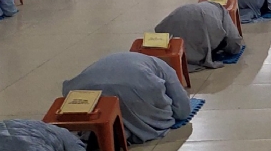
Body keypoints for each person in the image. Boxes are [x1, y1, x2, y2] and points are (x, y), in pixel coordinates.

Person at [63, 53, 191, 144]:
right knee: (151, 114)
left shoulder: (120, 58)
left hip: (86, 86)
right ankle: (124, 131)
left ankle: (102, 131)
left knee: (100, 111)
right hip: (137, 87)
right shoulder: (164, 67)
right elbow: (183, 109)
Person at [155, 2, 244, 69]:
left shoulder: (207, 6)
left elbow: (159, 29)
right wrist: (233, 49)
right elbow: (234, 41)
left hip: (178, 16)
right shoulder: (223, 12)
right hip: (201, 22)